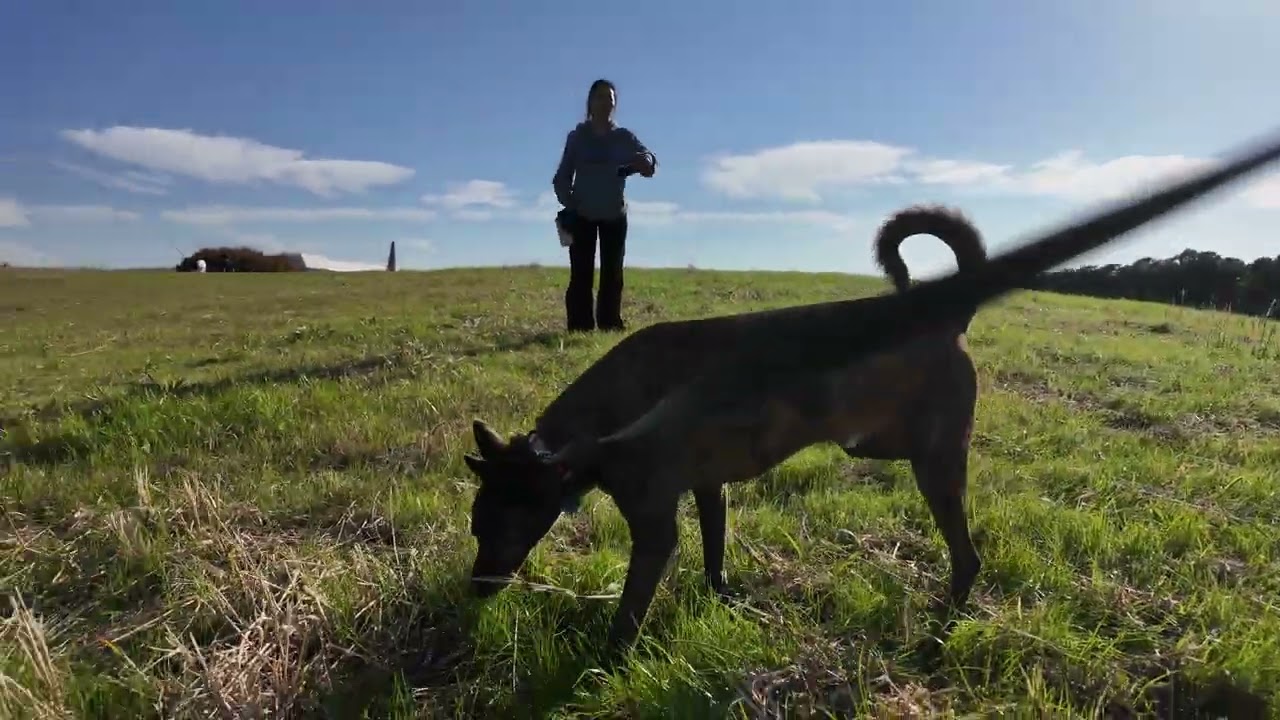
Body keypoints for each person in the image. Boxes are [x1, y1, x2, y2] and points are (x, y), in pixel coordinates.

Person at [552, 78, 657, 332]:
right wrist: (570, 203)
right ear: (590, 102)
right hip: (583, 215)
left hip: (614, 215)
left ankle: (610, 324)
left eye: (610, 98)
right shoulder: (578, 137)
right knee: (581, 275)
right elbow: (561, 177)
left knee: (612, 274)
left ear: (615, 105)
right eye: (600, 97)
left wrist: (645, 161)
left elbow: (649, 160)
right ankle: (580, 327)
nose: (605, 102)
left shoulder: (623, 137)